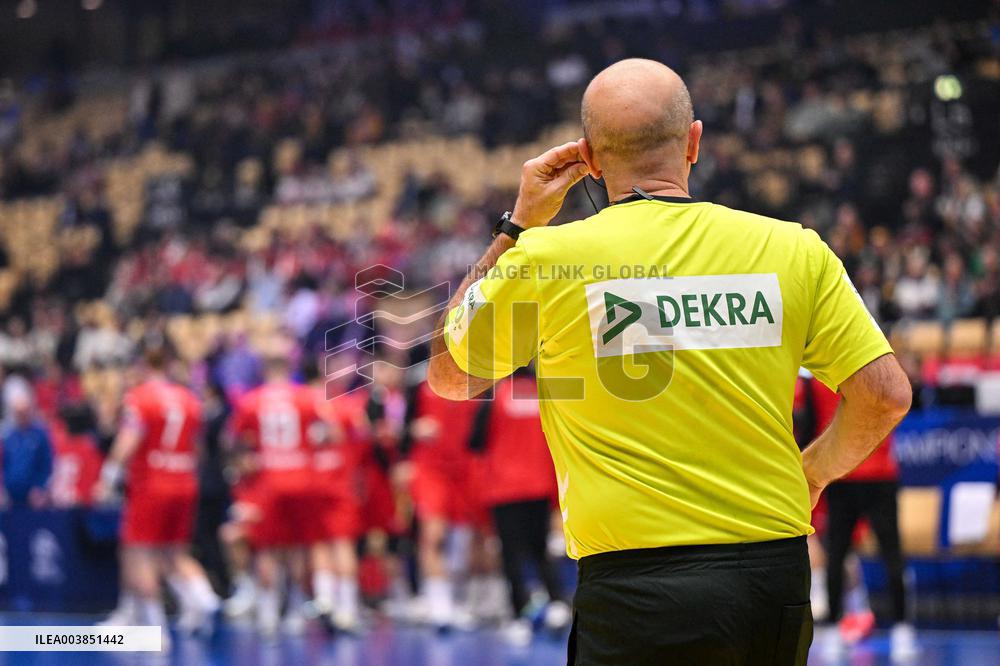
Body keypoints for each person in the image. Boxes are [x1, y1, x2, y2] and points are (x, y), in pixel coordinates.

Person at [427, 58, 913, 665]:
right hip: (771, 578)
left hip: (631, 589)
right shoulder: (794, 249)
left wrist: (516, 225)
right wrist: (812, 473)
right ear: (693, 142)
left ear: (589, 159)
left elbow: (449, 375)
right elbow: (885, 394)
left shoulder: (547, 259)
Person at [94, 347, 220, 650]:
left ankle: (154, 630)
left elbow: (129, 438)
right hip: (184, 482)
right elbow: (199, 449)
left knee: (139, 554)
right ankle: (203, 597)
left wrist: (108, 476)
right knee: (174, 552)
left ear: (143, 366)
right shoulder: (190, 400)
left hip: (151, 483)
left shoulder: (139, 398)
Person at [803, 374, 915, 659]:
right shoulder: (819, 380)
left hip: (876, 475)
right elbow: (811, 428)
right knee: (839, 554)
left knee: (887, 553)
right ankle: (837, 627)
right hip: (843, 477)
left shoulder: (874, 372)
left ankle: (901, 628)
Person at [228, 348, 328, 637]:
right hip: (302, 479)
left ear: (264, 370)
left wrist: (248, 458)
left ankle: (268, 613)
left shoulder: (252, 400)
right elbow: (327, 433)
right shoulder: (306, 397)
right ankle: (295, 611)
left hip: (268, 481)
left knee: (267, 549)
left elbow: (233, 439)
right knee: (297, 548)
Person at [469, 368, 570, 644]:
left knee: (512, 555)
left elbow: (475, 442)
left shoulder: (496, 395)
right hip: (540, 486)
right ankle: (558, 604)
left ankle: (519, 617)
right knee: (541, 550)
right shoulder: (547, 394)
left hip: (504, 490)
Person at [395, 376, 481, 629]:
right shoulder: (420, 388)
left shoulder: (480, 388)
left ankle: (459, 599)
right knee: (433, 535)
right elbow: (404, 427)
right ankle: (440, 604)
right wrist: (412, 433)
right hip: (430, 470)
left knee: (466, 540)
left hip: (465, 471)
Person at [0, 391, 53, 509]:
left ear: (30, 411)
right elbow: (3, 463)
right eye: (18, 413)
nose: (21, 416)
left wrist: (40, 487)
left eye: (24, 412)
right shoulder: (8, 435)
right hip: (10, 495)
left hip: (33, 495)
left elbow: (47, 464)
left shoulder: (40, 435)